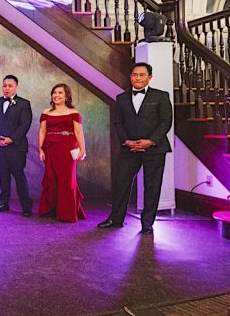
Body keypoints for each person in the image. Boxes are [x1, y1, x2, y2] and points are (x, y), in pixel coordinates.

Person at [98, 62, 173, 235]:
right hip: (129, 149)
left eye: (141, 75)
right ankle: (116, 219)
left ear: (149, 77)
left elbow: (165, 122)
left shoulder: (161, 96)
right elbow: (118, 123)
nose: (137, 78)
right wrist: (126, 141)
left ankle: (147, 224)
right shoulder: (121, 98)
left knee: (152, 186)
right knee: (120, 183)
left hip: (154, 149)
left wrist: (150, 141)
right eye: (134, 75)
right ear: (130, 77)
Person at [0, 75, 34, 216]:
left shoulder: (24, 104)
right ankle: (3, 203)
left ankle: (26, 206)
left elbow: (24, 125)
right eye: (4, 85)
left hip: (16, 148)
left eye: (10, 86)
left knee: (19, 176)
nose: (6, 88)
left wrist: (11, 139)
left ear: (16, 87)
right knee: (2, 176)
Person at [37, 83, 86, 222]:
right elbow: (42, 131)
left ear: (66, 96)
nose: (56, 95)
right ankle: (52, 209)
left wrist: (83, 149)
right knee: (51, 178)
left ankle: (67, 213)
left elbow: (78, 132)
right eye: (54, 92)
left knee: (67, 180)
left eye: (60, 93)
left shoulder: (73, 112)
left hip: (68, 148)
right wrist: (41, 149)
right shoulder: (46, 112)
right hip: (50, 148)